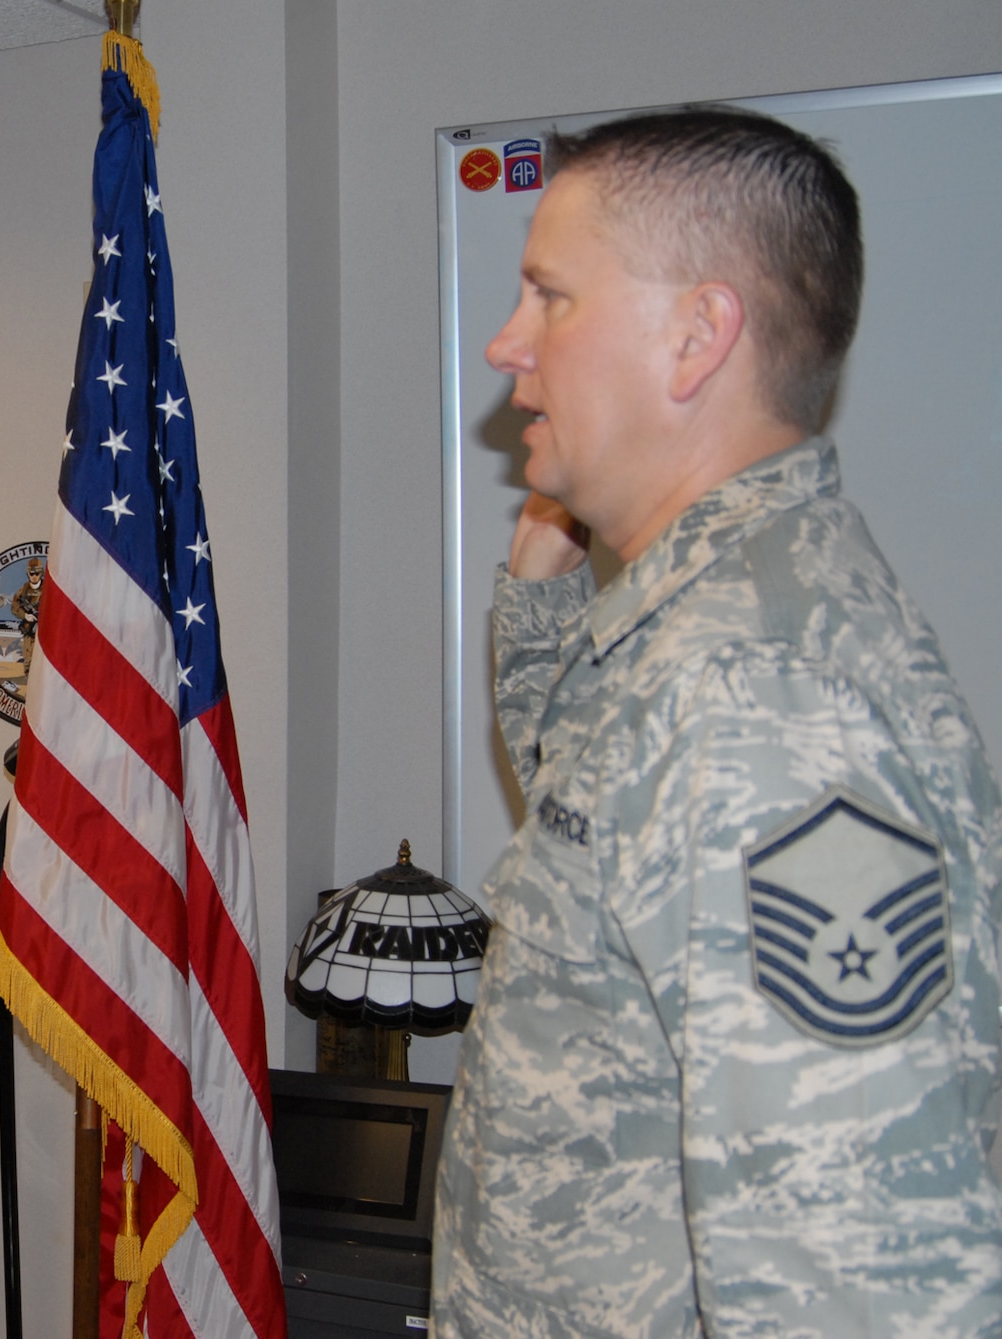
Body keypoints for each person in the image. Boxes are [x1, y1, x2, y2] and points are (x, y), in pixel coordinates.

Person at [433, 108, 1002, 1335]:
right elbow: (599, 830)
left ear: (695, 336)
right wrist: (539, 599)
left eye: (549, 298)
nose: (503, 344)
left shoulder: (756, 692)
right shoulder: (710, 625)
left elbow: (851, 1282)